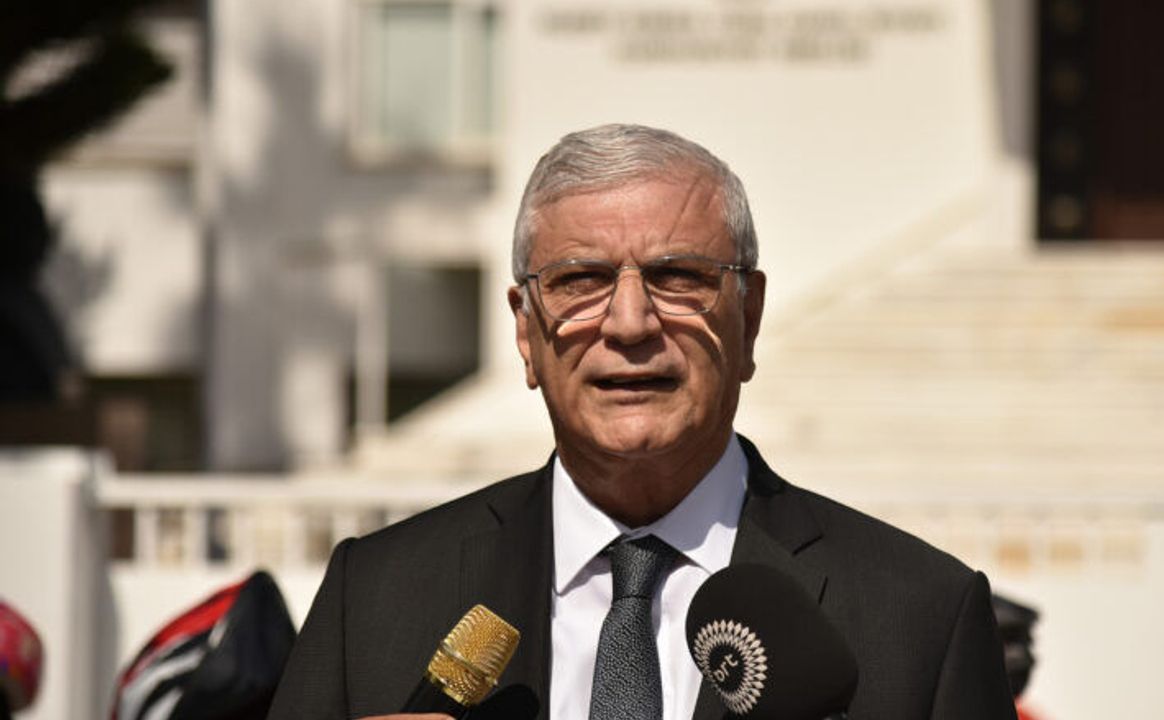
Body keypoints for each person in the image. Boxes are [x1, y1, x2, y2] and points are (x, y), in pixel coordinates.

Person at [266, 124, 1017, 720]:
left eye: (679, 276)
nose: (630, 323)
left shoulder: (920, 617)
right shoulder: (376, 599)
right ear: (526, 332)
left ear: (749, 318)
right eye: (580, 280)